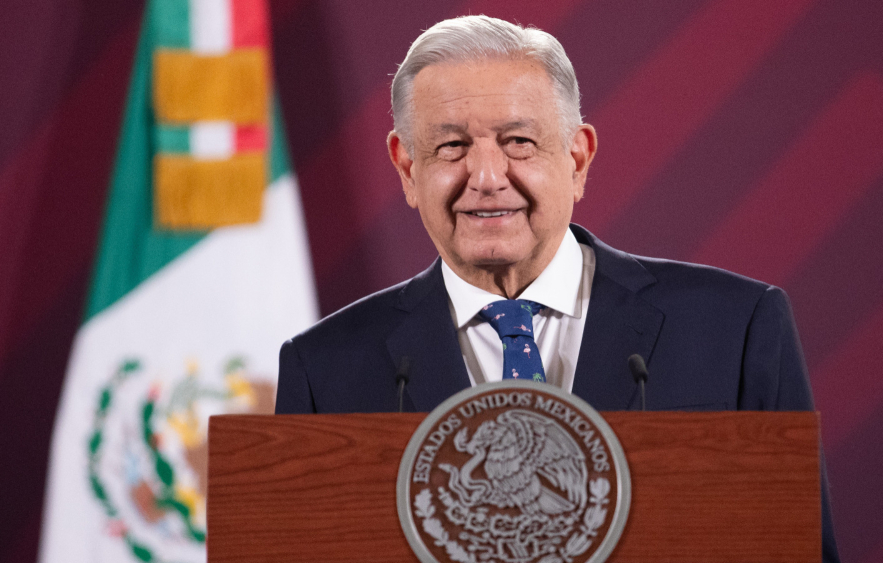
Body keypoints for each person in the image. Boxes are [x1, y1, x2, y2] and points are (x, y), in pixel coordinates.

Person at [275, 15, 839, 561]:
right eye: (451, 148)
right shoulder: (323, 370)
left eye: (518, 141)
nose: (488, 177)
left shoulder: (735, 329)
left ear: (577, 159)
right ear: (406, 169)